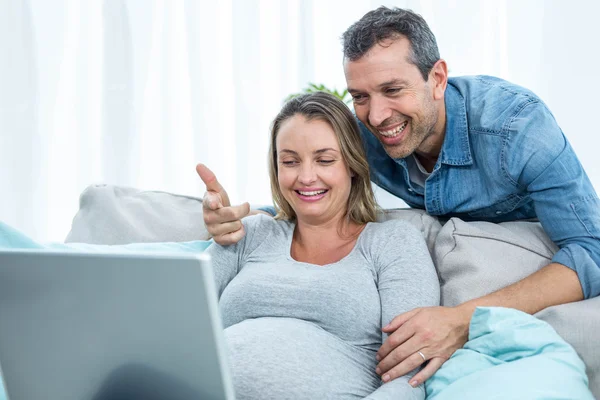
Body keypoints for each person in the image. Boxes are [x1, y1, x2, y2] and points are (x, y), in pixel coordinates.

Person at [201, 6, 600, 388]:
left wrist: (463, 318)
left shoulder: (516, 127)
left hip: (528, 265)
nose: (376, 116)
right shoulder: (366, 132)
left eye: (393, 89)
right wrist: (245, 216)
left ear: (438, 78)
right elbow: (318, 186)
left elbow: (592, 248)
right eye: (359, 96)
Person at [0, 92, 440, 399]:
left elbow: (410, 373)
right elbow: (169, 323)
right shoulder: (251, 234)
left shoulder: (391, 241)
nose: (306, 177)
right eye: (290, 162)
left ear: (352, 165)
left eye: (324, 160)